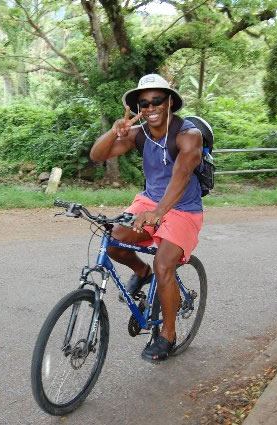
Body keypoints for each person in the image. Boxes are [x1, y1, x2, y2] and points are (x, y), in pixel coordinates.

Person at [89, 74, 204, 362]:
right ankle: (142, 273)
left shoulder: (188, 135)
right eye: (144, 103)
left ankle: (168, 334)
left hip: (183, 208)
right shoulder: (138, 133)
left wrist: (158, 213)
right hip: (149, 201)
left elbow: (181, 175)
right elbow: (97, 155)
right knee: (113, 243)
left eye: (156, 101)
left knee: (163, 264)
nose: (150, 107)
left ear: (169, 102)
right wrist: (115, 131)